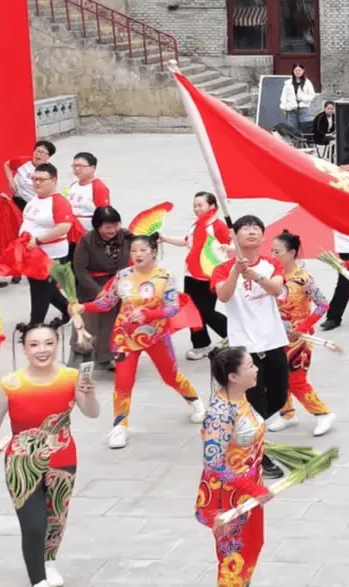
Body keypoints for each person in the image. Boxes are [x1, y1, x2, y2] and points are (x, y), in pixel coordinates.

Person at [0, 320, 100, 587]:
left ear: (57, 345)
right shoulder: (9, 384)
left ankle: (49, 562)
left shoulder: (71, 377)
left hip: (63, 458)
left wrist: (90, 394)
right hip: (21, 463)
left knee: (56, 517)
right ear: (24, 349)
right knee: (34, 524)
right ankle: (38, 580)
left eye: (49, 343)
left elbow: (92, 413)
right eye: (34, 344)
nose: (42, 350)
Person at [74, 235, 204, 449]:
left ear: (153, 252)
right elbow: (107, 303)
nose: (137, 254)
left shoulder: (165, 276)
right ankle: (119, 426)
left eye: (143, 250)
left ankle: (195, 401)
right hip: (124, 338)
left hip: (156, 336)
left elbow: (172, 308)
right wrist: (83, 307)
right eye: (134, 250)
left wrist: (149, 314)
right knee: (123, 382)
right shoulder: (123, 276)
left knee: (170, 376)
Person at [212, 216, 290, 480]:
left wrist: (255, 275)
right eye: (245, 228)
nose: (251, 232)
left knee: (278, 398)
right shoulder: (222, 269)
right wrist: (236, 272)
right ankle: (258, 454)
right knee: (255, 403)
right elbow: (223, 296)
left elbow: (277, 289)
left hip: (273, 341)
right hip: (245, 349)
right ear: (235, 236)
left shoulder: (272, 264)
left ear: (263, 236)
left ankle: (241, 430)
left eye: (256, 228)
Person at [196, 345, 273, 585]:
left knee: (252, 548)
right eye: (250, 366)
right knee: (234, 560)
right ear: (233, 377)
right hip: (229, 498)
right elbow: (213, 464)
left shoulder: (240, 398)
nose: (256, 369)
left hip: (248, 492)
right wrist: (254, 489)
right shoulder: (220, 413)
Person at [269, 231, 335, 436]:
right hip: (276, 336)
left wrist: (303, 326)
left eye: (277, 252)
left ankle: (323, 413)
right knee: (277, 377)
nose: (273, 255)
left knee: (296, 380)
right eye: (271, 251)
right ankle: (287, 413)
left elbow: (323, 305)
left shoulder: (303, 279)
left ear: (291, 253)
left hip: (298, 339)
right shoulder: (272, 276)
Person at [159, 191, 232, 357]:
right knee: (191, 311)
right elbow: (186, 242)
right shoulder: (196, 225)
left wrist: (227, 252)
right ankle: (201, 344)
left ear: (212, 206)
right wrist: (165, 238)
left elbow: (231, 244)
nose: (197, 209)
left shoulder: (218, 226)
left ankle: (232, 334)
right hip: (191, 275)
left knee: (206, 311)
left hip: (209, 276)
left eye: (200, 205)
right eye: (195, 206)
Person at [71, 206, 130, 374]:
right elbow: (80, 269)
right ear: (97, 226)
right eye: (107, 227)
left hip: (117, 285)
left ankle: (107, 357)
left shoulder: (126, 236)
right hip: (92, 285)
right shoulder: (87, 240)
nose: (112, 230)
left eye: (115, 225)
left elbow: (141, 248)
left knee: (112, 324)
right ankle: (79, 361)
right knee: (89, 324)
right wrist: (97, 291)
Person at [19, 162, 74, 325]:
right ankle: (68, 309)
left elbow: (64, 227)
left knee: (40, 291)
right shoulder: (34, 199)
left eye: (42, 180)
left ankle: (35, 326)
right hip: (32, 253)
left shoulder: (59, 202)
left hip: (51, 254)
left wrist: (38, 240)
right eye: (34, 179)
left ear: (54, 180)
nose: (37, 183)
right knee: (44, 288)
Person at [320, 158, 349, 327]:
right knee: (345, 281)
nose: (346, 174)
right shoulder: (332, 192)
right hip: (348, 248)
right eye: (342, 171)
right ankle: (334, 318)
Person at [64, 153, 110, 243]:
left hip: (89, 234)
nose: (77, 169)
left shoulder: (98, 187)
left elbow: (104, 214)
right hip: (71, 232)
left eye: (80, 166)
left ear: (92, 168)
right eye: (74, 166)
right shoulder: (73, 185)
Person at [3, 140, 56, 211]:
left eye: (43, 153)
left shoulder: (50, 171)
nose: (39, 154)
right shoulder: (22, 161)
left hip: (36, 204)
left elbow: (52, 190)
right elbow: (7, 165)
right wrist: (11, 181)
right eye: (38, 151)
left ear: (48, 157)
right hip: (18, 199)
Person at [279, 64, 317, 130]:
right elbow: (283, 96)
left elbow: (312, 95)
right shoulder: (288, 83)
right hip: (291, 109)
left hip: (303, 109)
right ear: (293, 71)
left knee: (304, 128)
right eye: (296, 70)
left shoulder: (307, 82)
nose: (298, 72)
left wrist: (302, 98)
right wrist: (285, 107)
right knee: (292, 129)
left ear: (303, 71)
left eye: (300, 70)